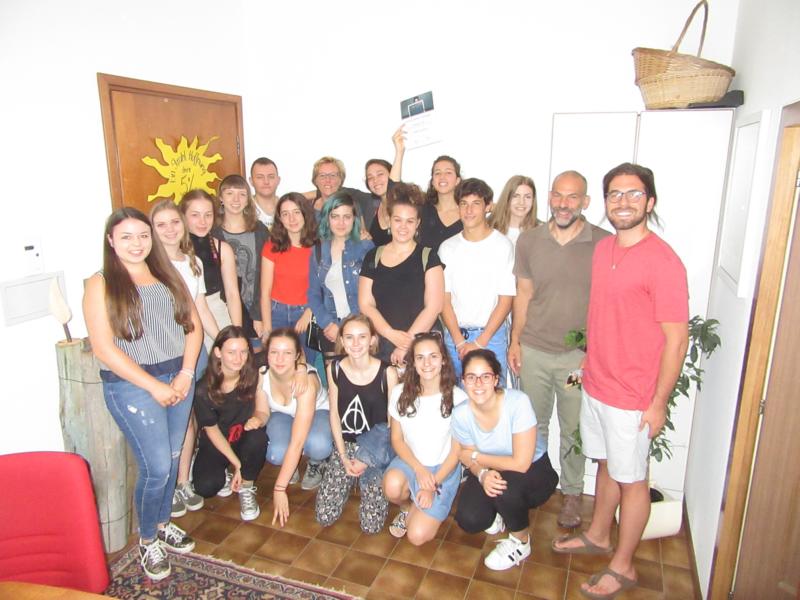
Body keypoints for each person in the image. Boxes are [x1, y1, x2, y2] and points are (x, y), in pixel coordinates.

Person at [552, 163, 688, 600]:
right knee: (607, 464)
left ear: (650, 202)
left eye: (633, 194)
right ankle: (598, 535)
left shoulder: (663, 262)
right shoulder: (604, 248)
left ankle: (624, 565)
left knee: (633, 480)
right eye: (615, 194)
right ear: (606, 201)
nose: (623, 202)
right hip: (597, 383)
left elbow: (677, 340)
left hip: (633, 396)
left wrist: (658, 401)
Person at [83, 208, 203, 581]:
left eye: (143, 235)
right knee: (157, 467)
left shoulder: (166, 273)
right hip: (133, 386)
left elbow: (193, 326)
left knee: (172, 456)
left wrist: (185, 375)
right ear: (111, 241)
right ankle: (147, 538)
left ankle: (163, 522)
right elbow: (104, 349)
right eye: (126, 237)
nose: (137, 244)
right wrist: (154, 386)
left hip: (178, 379)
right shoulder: (100, 283)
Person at [508, 170, 610, 529]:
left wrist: (597, 351)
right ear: (549, 197)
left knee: (573, 427)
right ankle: (534, 485)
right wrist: (515, 341)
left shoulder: (603, 244)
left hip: (575, 359)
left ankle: (572, 493)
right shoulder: (529, 241)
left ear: (585, 202)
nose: (563, 204)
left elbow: (608, 303)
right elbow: (523, 295)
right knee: (532, 426)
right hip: (534, 351)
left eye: (573, 197)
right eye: (558, 195)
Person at [452, 349, 558, 571]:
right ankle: (501, 509)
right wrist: (482, 474)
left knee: (504, 489)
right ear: (463, 381)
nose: (478, 383)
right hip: (491, 468)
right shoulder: (461, 413)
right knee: (469, 519)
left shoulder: (517, 402)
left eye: (485, 376)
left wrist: (476, 457)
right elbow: (466, 455)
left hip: (534, 470)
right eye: (471, 377)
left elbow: (520, 463)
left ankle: (521, 541)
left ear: (496, 379)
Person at [150, 199, 221, 518]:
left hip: (195, 352)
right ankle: (165, 486)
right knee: (166, 423)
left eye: (174, 222)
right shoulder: (147, 266)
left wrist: (223, 341)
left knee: (189, 417)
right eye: (161, 224)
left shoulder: (193, 262)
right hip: (163, 356)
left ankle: (183, 482)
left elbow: (200, 308)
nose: (169, 230)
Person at [315, 315, 399, 533]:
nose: (356, 343)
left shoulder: (387, 372)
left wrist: (365, 458)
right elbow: (335, 414)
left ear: (372, 339)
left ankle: (366, 481)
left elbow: (392, 424)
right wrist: (343, 456)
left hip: (376, 448)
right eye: (349, 337)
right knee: (324, 515)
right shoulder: (334, 368)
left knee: (371, 526)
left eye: (362, 337)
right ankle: (346, 481)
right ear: (341, 341)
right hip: (347, 444)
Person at [383, 332, 467, 545]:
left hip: (443, 469)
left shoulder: (458, 398)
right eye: (420, 357)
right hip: (411, 462)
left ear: (444, 359)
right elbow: (397, 440)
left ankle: (427, 503)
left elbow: (457, 452)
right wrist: (419, 469)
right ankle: (407, 508)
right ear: (413, 362)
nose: (427, 363)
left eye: (433, 356)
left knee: (416, 536)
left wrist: (432, 484)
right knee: (391, 486)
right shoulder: (400, 392)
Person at [359, 182, 445, 365]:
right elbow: (366, 304)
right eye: (398, 220)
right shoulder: (373, 256)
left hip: (422, 348)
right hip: (383, 345)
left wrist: (406, 344)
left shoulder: (428, 256)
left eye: (410, 221)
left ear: (418, 223)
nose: (403, 226)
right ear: (389, 220)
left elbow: (434, 307)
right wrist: (390, 334)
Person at [439, 178, 515, 381]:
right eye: (464, 203)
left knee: (492, 397)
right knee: (456, 396)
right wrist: (459, 342)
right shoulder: (447, 247)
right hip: (455, 338)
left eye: (476, 203)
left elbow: (506, 301)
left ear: (487, 206)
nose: (469, 210)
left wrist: (480, 342)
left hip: (491, 338)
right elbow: (444, 300)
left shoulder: (502, 246)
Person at [192, 326, 268, 521]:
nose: (238, 358)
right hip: (217, 441)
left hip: (244, 438)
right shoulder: (202, 389)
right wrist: (237, 465)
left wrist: (302, 371)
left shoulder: (253, 370)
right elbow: (212, 431)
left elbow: (292, 353)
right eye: (231, 352)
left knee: (258, 437)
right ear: (218, 352)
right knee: (205, 487)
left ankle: (247, 486)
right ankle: (225, 469)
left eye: (243, 352)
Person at [264, 328, 333, 522]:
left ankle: (316, 462)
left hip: (317, 412)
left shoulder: (306, 383)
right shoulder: (261, 374)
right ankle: (290, 465)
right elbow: (260, 411)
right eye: (274, 352)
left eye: (287, 353)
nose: (279, 359)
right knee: (275, 453)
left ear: (297, 355)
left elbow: (297, 441)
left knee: (318, 445)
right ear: (266, 353)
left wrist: (279, 488)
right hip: (283, 415)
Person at [307, 192, 374, 360]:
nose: (341, 223)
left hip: (360, 328)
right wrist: (328, 323)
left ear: (354, 219)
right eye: (335, 216)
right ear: (327, 219)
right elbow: (313, 294)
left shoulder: (366, 248)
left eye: (347, 217)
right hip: (330, 329)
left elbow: (373, 293)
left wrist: (347, 327)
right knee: (334, 374)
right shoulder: (318, 251)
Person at [259, 192, 319, 364]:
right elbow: (265, 292)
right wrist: (267, 328)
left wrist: (309, 312)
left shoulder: (319, 246)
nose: (291, 219)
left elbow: (323, 286)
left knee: (306, 365)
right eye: (285, 214)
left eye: (296, 212)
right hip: (276, 313)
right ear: (280, 219)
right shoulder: (272, 246)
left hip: (307, 314)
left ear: (305, 214)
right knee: (279, 364)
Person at [180, 189, 242, 346]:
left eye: (208, 215)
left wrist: (237, 333)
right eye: (195, 215)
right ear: (183, 216)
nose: (203, 221)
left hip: (216, 312)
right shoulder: (175, 251)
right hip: (184, 317)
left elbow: (232, 294)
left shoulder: (222, 249)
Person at [213, 174, 270, 341]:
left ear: (248, 200)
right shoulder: (212, 232)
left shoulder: (259, 230)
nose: (236, 199)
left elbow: (265, 276)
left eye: (242, 194)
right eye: (230, 193)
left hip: (255, 312)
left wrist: (258, 315)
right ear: (221, 198)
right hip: (222, 311)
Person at [366, 127, 405, 246]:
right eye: (370, 177)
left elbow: (393, 186)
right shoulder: (372, 208)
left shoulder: (405, 201)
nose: (375, 180)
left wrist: (399, 152)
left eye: (380, 174)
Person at [419, 155, 462, 251]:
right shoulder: (422, 210)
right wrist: (399, 153)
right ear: (433, 181)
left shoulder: (467, 213)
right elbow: (394, 192)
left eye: (448, 172)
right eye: (437, 173)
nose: (442, 177)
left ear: (457, 180)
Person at [489, 175, 539, 247]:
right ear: (507, 198)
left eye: (527, 197)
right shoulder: (489, 227)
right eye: (515, 196)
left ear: (533, 200)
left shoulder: (542, 231)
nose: (521, 202)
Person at [250, 157, 281, 228]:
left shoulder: (286, 207)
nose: (266, 182)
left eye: (271, 177)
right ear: (251, 181)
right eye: (260, 177)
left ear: (278, 180)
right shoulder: (243, 209)